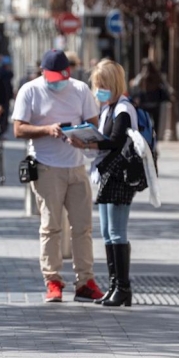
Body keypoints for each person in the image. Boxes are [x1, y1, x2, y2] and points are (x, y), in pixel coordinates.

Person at [11, 49, 104, 303]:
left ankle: (85, 280)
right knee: (51, 226)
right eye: (51, 77)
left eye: (61, 77)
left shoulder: (80, 90)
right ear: (43, 72)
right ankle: (53, 281)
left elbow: (93, 124)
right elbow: (18, 129)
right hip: (46, 166)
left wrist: (81, 136)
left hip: (76, 166)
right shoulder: (30, 90)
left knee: (83, 227)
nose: (56, 82)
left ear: (68, 73)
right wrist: (46, 129)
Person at [69, 59, 137, 307]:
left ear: (113, 84)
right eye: (96, 85)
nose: (98, 90)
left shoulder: (123, 110)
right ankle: (113, 286)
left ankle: (123, 287)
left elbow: (115, 142)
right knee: (108, 233)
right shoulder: (109, 108)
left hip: (120, 176)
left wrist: (86, 143)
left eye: (102, 85)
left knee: (117, 232)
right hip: (107, 173)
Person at [129, 59, 170, 141]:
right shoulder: (151, 76)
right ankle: (151, 138)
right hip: (150, 103)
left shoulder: (150, 76)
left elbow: (135, 86)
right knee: (151, 123)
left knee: (149, 123)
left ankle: (151, 139)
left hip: (150, 103)